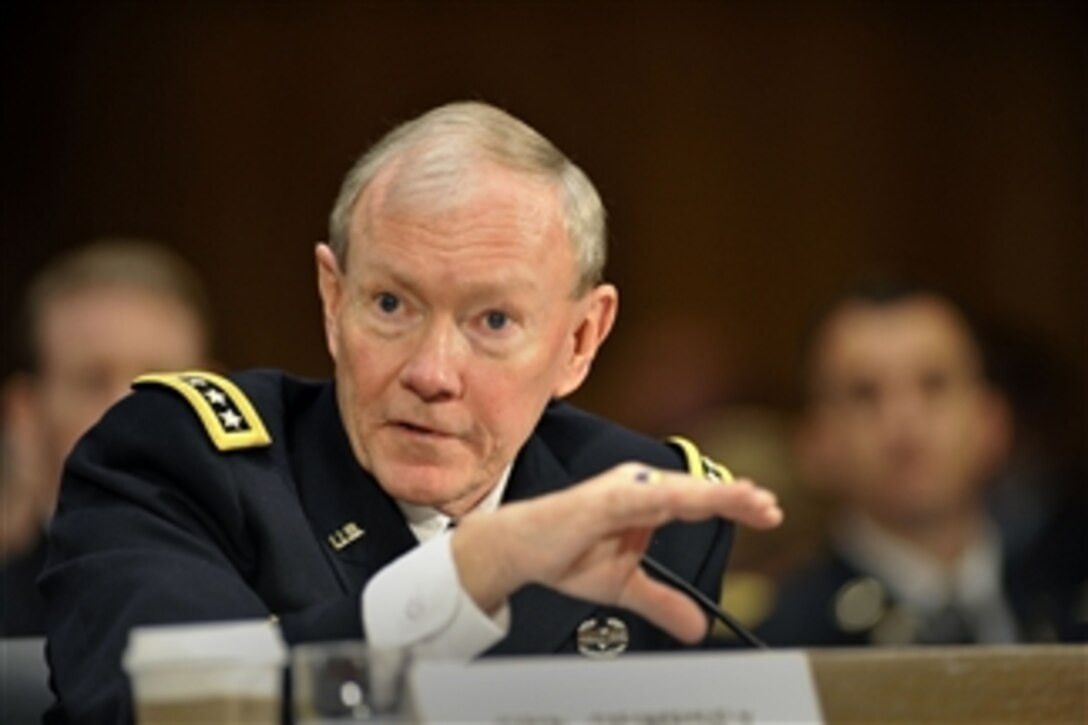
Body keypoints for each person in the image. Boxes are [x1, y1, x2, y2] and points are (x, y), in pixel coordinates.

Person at [41, 102, 783, 722]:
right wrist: (459, 582)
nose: (431, 373)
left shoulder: (650, 515)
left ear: (580, 340)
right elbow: (163, 710)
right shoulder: (179, 463)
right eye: (392, 305)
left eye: (493, 321)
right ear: (335, 301)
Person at [754, 279, 1086, 647]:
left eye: (934, 385)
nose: (904, 422)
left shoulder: (1068, 599)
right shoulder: (777, 645)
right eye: (864, 394)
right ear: (815, 442)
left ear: (993, 422)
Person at [1, 238, 214, 637]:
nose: (125, 409)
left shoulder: (286, 603)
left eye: (157, 381)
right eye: (91, 381)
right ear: (25, 416)